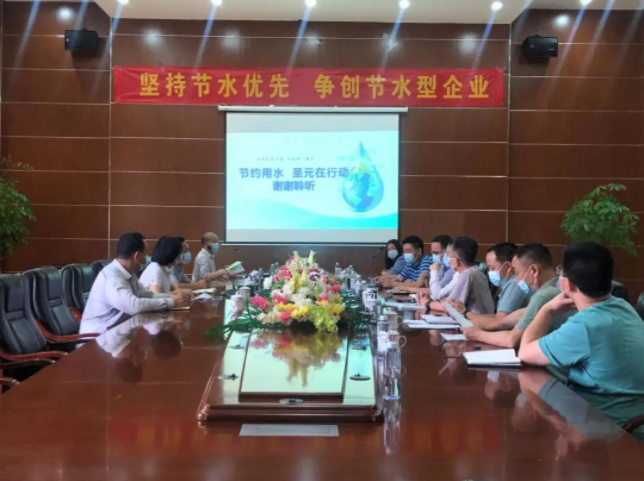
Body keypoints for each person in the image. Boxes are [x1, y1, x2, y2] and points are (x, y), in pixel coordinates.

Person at [519, 241, 644, 398]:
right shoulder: (623, 306)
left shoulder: (584, 326)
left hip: (604, 412)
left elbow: (525, 353)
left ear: (568, 284)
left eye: (561, 271)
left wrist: (547, 310)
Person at [462, 243, 573, 348]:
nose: (517, 280)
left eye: (517, 273)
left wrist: (477, 334)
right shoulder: (557, 286)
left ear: (534, 270)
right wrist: (490, 326)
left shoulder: (544, 295)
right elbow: (524, 313)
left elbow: (512, 340)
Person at [80, 232, 191, 335]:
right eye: (145, 254)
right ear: (137, 256)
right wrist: (171, 302)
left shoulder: (129, 273)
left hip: (117, 332)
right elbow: (134, 305)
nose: (147, 259)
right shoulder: (112, 277)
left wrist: (172, 297)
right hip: (96, 338)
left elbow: (146, 295)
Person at [449, 242, 528, 325]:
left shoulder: (514, 284)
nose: (490, 272)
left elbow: (500, 322)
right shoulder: (508, 284)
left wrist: (465, 313)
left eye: (492, 268)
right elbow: (497, 317)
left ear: (508, 266)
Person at [426, 236, 494, 315]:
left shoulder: (467, 275)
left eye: (448, 254)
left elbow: (451, 308)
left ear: (456, 260)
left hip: (473, 321)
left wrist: (428, 303)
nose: (446, 258)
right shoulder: (475, 271)